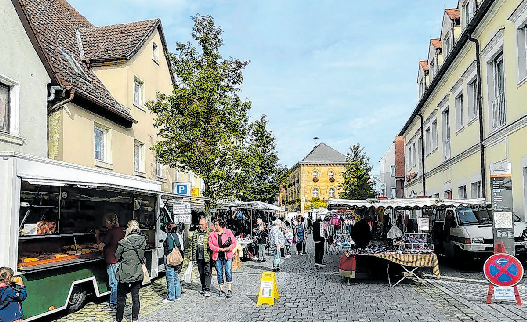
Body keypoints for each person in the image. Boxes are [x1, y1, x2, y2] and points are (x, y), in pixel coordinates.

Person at [115, 220, 146, 322]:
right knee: (135, 297)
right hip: (136, 271)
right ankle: (134, 318)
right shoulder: (142, 240)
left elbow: (117, 256)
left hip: (124, 272)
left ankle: (119, 318)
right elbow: (142, 256)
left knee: (121, 298)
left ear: (128, 228)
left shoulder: (123, 242)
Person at [95, 212, 125, 310]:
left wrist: (97, 236)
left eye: (106, 222)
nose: (105, 224)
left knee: (113, 283)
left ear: (109, 222)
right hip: (119, 259)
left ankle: (113, 302)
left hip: (112, 260)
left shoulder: (110, 232)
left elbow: (100, 246)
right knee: (118, 282)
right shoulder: (121, 230)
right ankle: (119, 299)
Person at [208, 217, 237, 298]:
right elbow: (210, 245)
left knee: (228, 271)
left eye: (216, 224)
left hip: (227, 255)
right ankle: (221, 289)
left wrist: (229, 248)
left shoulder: (228, 232)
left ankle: (229, 290)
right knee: (219, 273)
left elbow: (234, 242)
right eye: (214, 225)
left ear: (221, 225)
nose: (215, 226)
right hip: (217, 255)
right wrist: (218, 249)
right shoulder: (212, 234)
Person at [188, 217, 212, 297]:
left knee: (207, 272)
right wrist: (191, 255)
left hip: (207, 256)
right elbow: (192, 244)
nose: (200, 226)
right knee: (201, 272)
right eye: (199, 224)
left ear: (206, 224)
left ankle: (207, 289)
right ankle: (203, 287)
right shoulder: (196, 233)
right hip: (198, 256)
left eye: (201, 224)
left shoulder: (210, 233)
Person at [163, 222, 183, 303]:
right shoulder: (176, 236)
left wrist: (166, 254)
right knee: (176, 276)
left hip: (170, 259)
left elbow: (170, 247)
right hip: (177, 258)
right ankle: (178, 295)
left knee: (170, 278)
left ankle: (171, 297)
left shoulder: (168, 236)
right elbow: (179, 245)